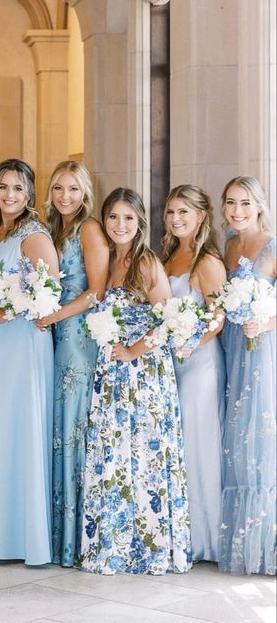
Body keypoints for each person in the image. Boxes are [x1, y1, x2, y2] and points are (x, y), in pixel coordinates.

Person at [79, 188, 190, 575]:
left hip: (144, 374)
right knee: (114, 456)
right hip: (111, 376)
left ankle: (146, 547)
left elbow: (168, 322)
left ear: (140, 220)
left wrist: (133, 350)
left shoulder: (146, 262)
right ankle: (112, 544)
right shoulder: (109, 261)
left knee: (142, 455)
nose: (120, 225)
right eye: (113, 217)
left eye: (128, 217)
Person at [0, 158, 59, 565]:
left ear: (29, 194)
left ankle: (25, 538)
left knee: (20, 427)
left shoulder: (33, 234)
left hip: (23, 341)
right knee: (2, 427)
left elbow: (50, 290)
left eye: (17, 188)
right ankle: (2, 534)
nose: (9, 195)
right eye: (3, 187)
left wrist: (8, 313)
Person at [37, 160, 107, 567]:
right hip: (54, 338)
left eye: (74, 190)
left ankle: (80, 539)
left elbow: (96, 291)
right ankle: (58, 534)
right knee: (59, 428)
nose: (66, 197)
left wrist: (52, 316)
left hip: (78, 340)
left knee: (75, 428)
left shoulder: (89, 229)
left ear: (85, 194)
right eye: (60, 188)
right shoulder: (52, 228)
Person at [161, 184, 226, 564]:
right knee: (181, 446)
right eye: (171, 212)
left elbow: (217, 318)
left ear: (201, 215)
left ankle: (207, 540)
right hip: (174, 361)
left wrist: (192, 342)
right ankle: (184, 533)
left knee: (199, 445)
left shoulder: (207, 260)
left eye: (183, 212)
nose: (175, 219)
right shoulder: (169, 255)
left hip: (200, 363)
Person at [218, 176, 276, 576]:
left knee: (261, 437)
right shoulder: (228, 244)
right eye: (230, 203)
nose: (237, 211)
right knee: (237, 435)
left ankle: (264, 543)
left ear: (258, 204)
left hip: (262, 348)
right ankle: (239, 536)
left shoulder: (271, 246)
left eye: (244, 203)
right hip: (233, 347)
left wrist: (266, 322)